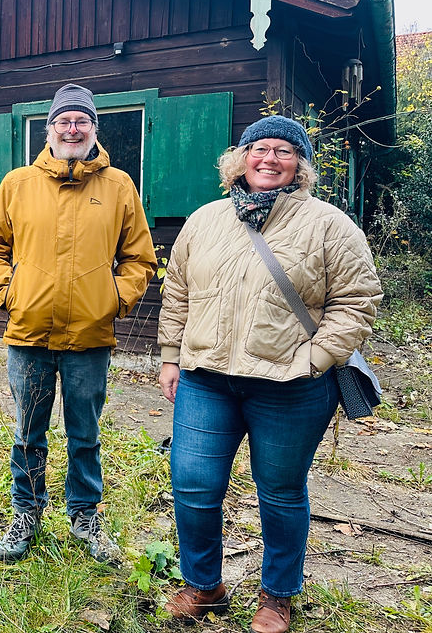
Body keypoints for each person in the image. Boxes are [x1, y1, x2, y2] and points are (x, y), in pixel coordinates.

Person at [157, 115, 382, 633]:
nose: (269, 159)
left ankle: (276, 596)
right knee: (193, 485)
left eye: (284, 151)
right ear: (239, 158)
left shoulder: (328, 225)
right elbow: (179, 293)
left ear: (300, 165)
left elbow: (357, 301)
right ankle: (203, 585)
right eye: (259, 148)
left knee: (280, 491)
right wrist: (171, 356)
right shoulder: (205, 219)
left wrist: (315, 359)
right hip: (207, 378)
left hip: (290, 387)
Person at [0, 83, 157, 563]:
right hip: (29, 334)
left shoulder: (118, 186)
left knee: (85, 434)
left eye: (81, 121)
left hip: (89, 339)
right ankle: (26, 515)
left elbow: (140, 258)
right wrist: (8, 294)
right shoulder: (17, 184)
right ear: (49, 129)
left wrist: (114, 299)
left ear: (94, 128)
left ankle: (85, 517)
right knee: (28, 432)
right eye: (63, 121)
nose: (72, 129)